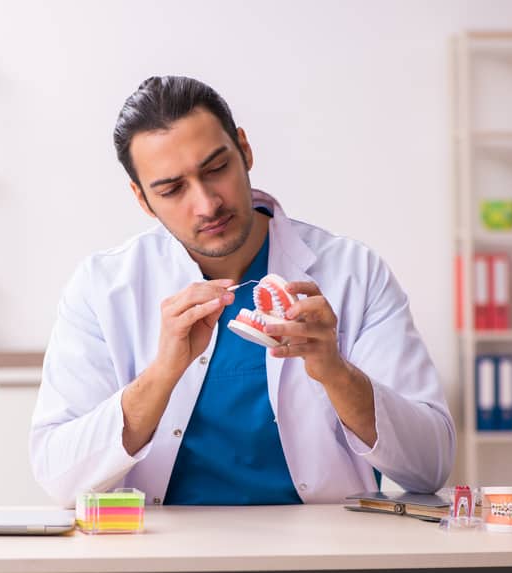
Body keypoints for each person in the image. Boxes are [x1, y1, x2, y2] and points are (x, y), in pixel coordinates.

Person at [29, 75, 455, 507]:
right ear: (142, 199)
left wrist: (336, 373)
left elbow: (430, 465)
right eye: (172, 189)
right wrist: (161, 376)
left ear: (244, 151)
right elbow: (59, 477)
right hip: (163, 553)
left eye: (216, 169)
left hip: (322, 551)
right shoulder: (103, 288)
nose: (207, 204)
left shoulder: (353, 272)